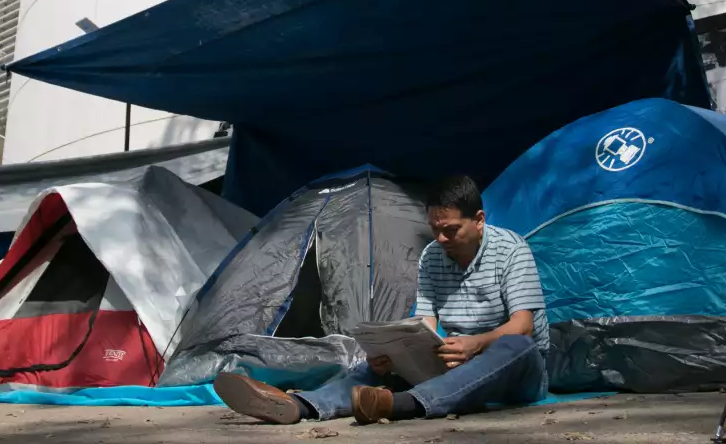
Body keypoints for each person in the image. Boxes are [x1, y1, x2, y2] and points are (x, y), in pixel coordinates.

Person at [214, 175, 549, 425]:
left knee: (515, 346)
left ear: (479, 220)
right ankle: (302, 406)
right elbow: (426, 324)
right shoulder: (432, 256)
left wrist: (475, 344)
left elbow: (523, 326)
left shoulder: (512, 250)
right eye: (434, 229)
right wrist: (402, 354)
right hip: (457, 366)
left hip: (517, 370)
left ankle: (403, 404)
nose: (441, 238)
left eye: (451, 229)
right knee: (378, 364)